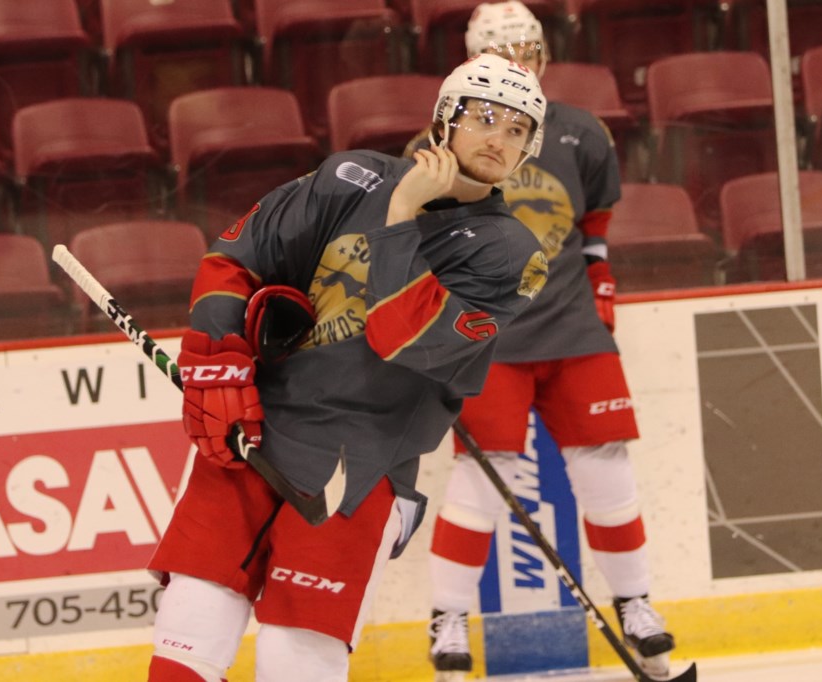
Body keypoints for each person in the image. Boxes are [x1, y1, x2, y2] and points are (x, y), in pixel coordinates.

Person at [145, 53, 552, 682]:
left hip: (357, 470)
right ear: (445, 119)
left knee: (293, 662)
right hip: (253, 434)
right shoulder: (351, 176)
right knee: (182, 649)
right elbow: (234, 259)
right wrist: (215, 359)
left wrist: (401, 215)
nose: (499, 138)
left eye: (517, 130)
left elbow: (404, 336)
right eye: (485, 118)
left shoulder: (514, 255)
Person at [421, 3, 677, 680]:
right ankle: (447, 618)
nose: (521, 65)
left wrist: (600, 281)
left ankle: (635, 604)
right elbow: (414, 243)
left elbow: (593, 224)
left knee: (608, 470)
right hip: (490, 341)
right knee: (483, 480)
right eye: (505, 54)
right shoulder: (445, 144)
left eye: (529, 51)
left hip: (572, 330)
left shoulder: (579, 133)